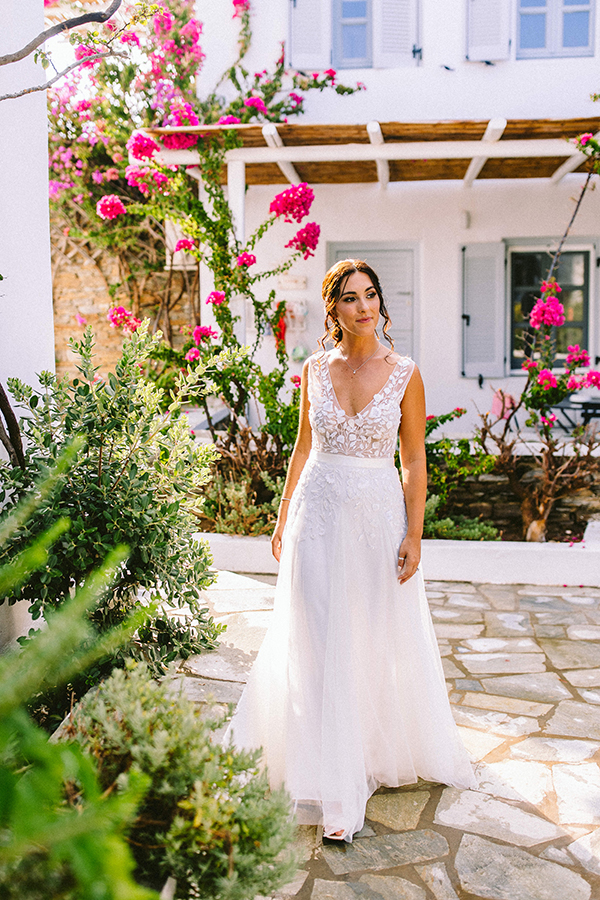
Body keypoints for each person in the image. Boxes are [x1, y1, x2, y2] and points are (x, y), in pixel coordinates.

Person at [225, 258, 476, 842]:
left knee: (365, 634)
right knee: (314, 634)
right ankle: (329, 779)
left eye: (370, 296)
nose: (363, 306)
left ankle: (358, 752)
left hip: (375, 517)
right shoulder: (315, 368)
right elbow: (301, 447)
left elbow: (414, 461)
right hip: (317, 511)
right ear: (332, 308)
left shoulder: (405, 373)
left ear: (381, 303)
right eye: (350, 298)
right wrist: (284, 515)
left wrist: (414, 533)